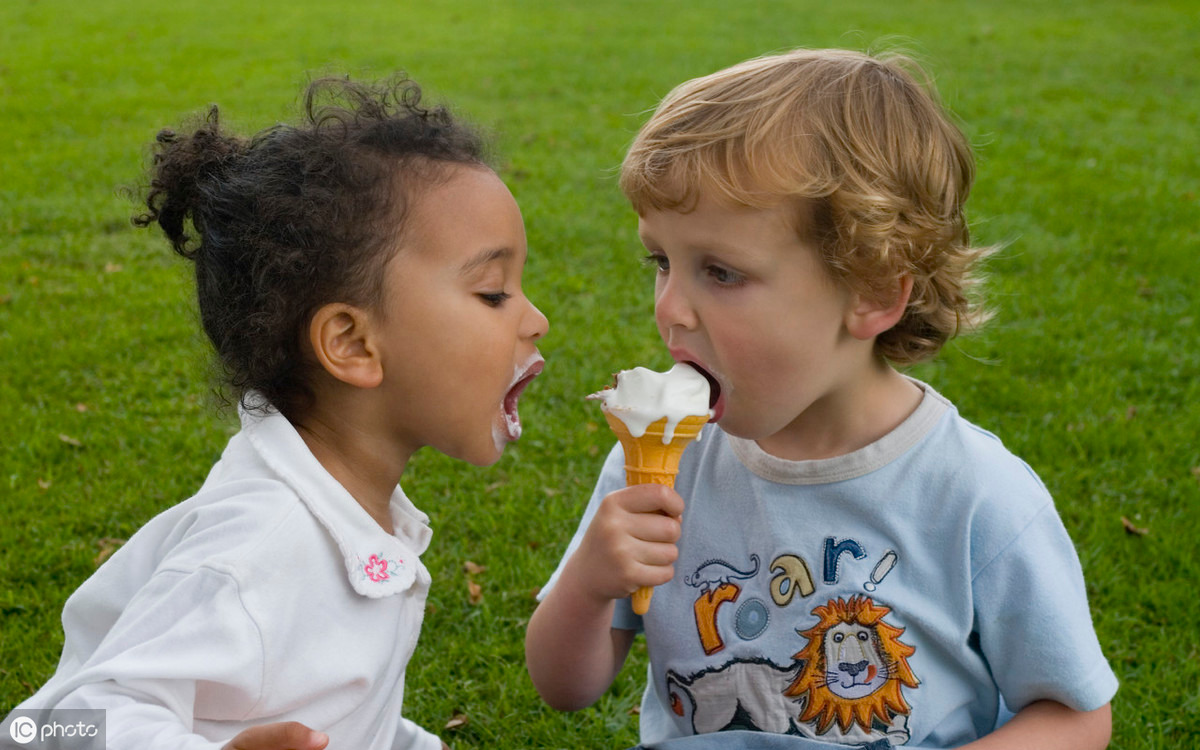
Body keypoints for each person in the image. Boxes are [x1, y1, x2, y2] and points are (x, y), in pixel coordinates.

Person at [526, 48, 1115, 749]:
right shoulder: (659, 467)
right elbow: (566, 688)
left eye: (720, 272)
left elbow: (1076, 716)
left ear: (870, 292)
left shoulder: (975, 497)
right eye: (662, 262)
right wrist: (589, 586)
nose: (672, 309)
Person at [4, 75, 548, 750]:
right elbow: (51, 725)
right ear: (351, 344)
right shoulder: (262, 547)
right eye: (494, 293)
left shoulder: (349, 514)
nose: (536, 320)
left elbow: (341, 703)